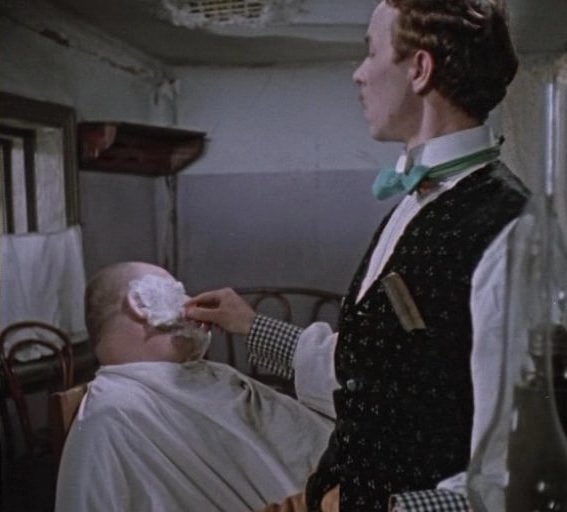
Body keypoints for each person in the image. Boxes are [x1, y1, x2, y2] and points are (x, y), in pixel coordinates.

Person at [185, 1, 528, 510]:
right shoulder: (415, 201)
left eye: (371, 52)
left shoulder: (509, 228)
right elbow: (378, 372)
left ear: (420, 69)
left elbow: (512, 468)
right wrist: (251, 326)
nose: (358, 74)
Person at [55, 262, 333, 512]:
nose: (189, 299)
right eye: (176, 291)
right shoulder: (112, 415)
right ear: (139, 303)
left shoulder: (203, 375)